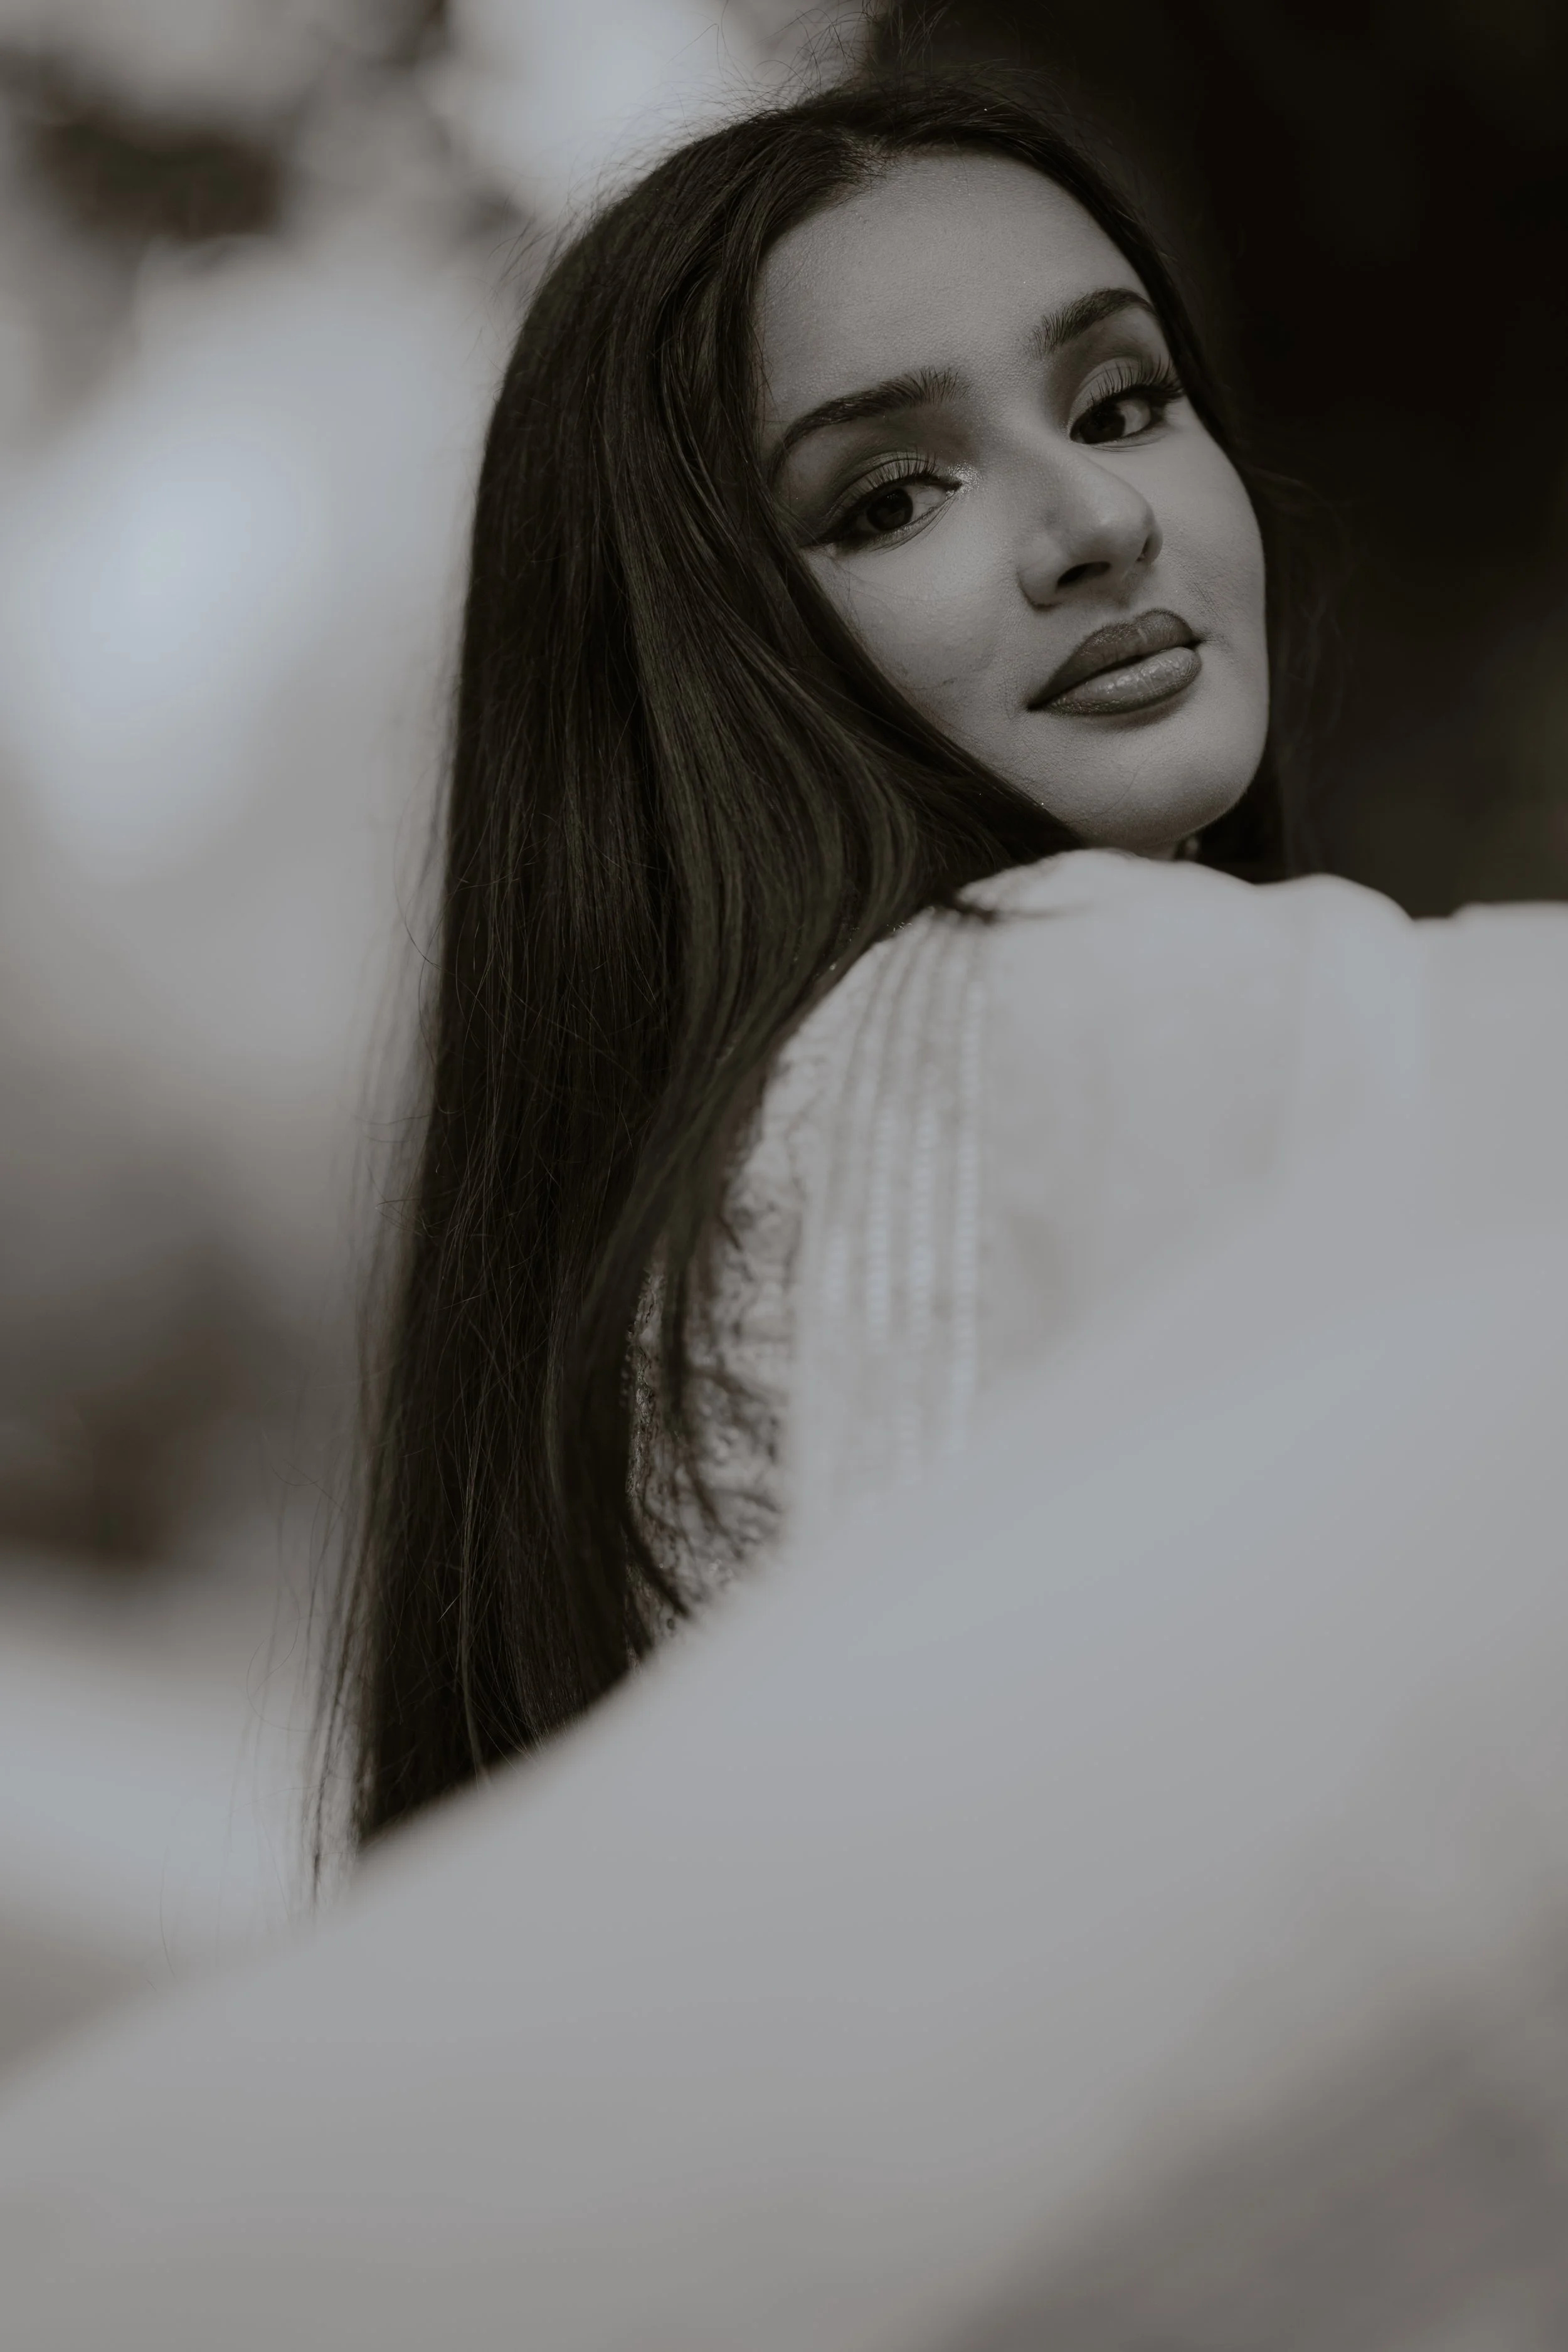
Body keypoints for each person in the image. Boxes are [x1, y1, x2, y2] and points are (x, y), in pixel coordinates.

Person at [323, 70, 1559, 1865]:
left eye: (1122, 403)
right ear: (697, 663)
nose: (1095, 519)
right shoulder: (1035, 1006)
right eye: (892, 498)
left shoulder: (754, 1160)